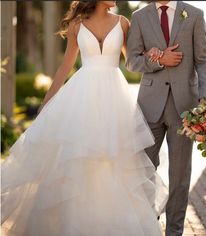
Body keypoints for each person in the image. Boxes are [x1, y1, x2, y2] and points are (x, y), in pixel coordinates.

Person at [1, 1, 168, 236]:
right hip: (82, 94)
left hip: (114, 97)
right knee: (78, 157)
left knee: (114, 158)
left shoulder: (123, 23)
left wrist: (151, 55)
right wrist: (46, 103)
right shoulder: (77, 25)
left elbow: (132, 62)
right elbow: (65, 66)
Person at [126, 1, 206, 235]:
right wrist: (157, 60)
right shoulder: (139, 17)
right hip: (148, 107)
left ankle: (174, 232)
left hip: (185, 109)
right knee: (142, 171)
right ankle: (147, 225)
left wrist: (205, 102)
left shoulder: (195, 15)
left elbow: (204, 61)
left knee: (179, 175)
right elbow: (131, 61)